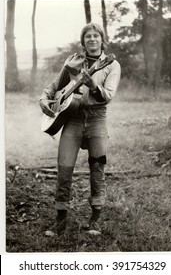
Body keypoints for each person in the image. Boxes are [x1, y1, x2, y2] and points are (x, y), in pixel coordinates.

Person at [39, 22, 121, 235]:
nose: (92, 39)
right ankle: (60, 221)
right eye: (88, 36)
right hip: (72, 119)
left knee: (97, 168)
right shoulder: (72, 61)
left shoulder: (112, 65)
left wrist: (93, 86)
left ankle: (94, 221)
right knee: (64, 169)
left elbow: (108, 96)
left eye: (96, 36)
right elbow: (55, 86)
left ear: (102, 40)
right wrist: (44, 99)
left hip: (97, 119)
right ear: (83, 41)